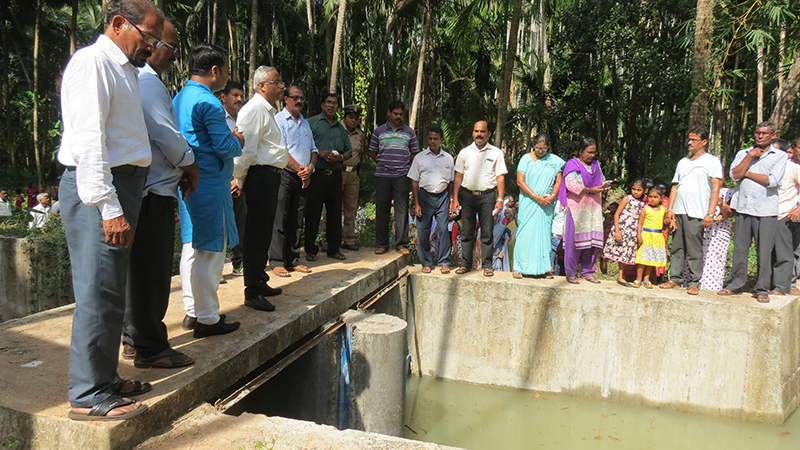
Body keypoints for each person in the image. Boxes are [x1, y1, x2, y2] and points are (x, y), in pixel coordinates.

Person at [58, 0, 164, 421]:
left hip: (124, 185)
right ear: (119, 24)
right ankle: (88, 394)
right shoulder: (93, 64)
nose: (152, 47)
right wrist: (108, 206)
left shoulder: (123, 68)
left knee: (111, 287)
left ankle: (104, 377)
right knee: (98, 290)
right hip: (101, 189)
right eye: (148, 37)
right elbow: (90, 142)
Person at [121, 20, 199, 369]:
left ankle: (132, 337)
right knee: (151, 274)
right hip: (154, 190)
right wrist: (190, 165)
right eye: (171, 47)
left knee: (138, 270)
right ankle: (151, 347)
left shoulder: (137, 80)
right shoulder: (149, 83)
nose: (173, 56)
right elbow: (166, 135)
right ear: (153, 45)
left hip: (146, 186)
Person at [174, 43, 244, 336]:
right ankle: (207, 318)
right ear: (215, 70)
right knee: (211, 251)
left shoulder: (179, 98)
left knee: (192, 246)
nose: (227, 76)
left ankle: (193, 310)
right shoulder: (209, 103)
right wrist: (238, 139)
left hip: (188, 181)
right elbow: (224, 146)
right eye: (226, 70)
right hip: (210, 182)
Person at [234, 65, 288, 310]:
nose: (282, 86)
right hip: (259, 176)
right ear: (262, 86)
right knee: (256, 233)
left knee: (264, 232)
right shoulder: (254, 110)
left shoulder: (266, 110)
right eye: (277, 82)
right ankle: (252, 291)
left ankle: (260, 279)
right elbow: (245, 150)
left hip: (270, 176)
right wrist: (239, 179)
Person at [719, 121, 787, 303]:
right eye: (757, 133)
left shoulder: (779, 156)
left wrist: (747, 173)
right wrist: (750, 156)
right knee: (740, 250)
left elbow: (772, 181)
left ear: (773, 135)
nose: (760, 136)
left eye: (764, 133)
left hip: (765, 211)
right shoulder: (744, 153)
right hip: (743, 208)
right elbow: (734, 175)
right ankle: (735, 284)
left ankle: (761, 288)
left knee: (764, 252)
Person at [658, 126, 723, 295]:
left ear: (704, 142)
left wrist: (710, 213)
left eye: (694, 140)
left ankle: (695, 282)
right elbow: (675, 186)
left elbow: (715, 188)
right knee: (677, 246)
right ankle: (675, 279)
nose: (690, 142)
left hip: (697, 211)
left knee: (694, 248)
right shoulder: (683, 162)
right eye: (689, 139)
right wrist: (670, 209)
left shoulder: (711, 161)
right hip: (679, 210)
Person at [270, 85, 317, 276]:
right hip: (285, 175)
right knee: (280, 218)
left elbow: (313, 150)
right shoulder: (278, 120)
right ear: (286, 99)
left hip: (303, 178)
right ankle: (277, 261)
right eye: (295, 98)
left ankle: (293, 260)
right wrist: (300, 170)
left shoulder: (305, 123)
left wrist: (310, 169)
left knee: (297, 220)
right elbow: (280, 150)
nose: (299, 101)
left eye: (301, 98)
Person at [450, 120, 508, 276]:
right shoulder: (465, 152)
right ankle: (466, 264)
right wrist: (455, 198)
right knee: (467, 232)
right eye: (476, 131)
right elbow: (458, 176)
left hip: (487, 197)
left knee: (487, 232)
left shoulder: (495, 153)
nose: (479, 134)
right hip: (467, 196)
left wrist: (500, 199)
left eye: (482, 131)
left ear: (488, 134)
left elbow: (500, 177)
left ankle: (487, 265)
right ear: (473, 133)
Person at [512, 133, 565, 279]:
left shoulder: (555, 161)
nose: (540, 151)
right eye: (538, 148)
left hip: (547, 203)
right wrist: (536, 197)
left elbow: (558, 181)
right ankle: (520, 267)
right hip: (529, 201)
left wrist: (552, 196)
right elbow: (520, 181)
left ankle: (544, 268)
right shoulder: (526, 159)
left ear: (548, 147)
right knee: (525, 234)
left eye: (544, 149)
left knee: (544, 235)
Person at [369, 100, 419, 255]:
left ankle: (401, 244)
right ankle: (381, 244)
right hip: (383, 176)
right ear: (389, 113)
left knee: (401, 211)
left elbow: (415, 153)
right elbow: (372, 152)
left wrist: (403, 164)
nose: (398, 117)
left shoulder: (409, 132)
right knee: (382, 210)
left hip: (401, 176)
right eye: (395, 113)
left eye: (400, 114)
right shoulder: (378, 132)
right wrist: (384, 163)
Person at [305, 93, 351, 261]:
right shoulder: (311, 123)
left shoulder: (341, 128)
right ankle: (310, 249)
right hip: (317, 174)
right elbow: (304, 145)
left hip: (335, 175)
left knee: (334, 213)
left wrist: (340, 157)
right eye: (328, 102)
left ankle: (334, 248)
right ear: (322, 105)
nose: (331, 106)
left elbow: (349, 151)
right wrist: (319, 152)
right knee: (313, 212)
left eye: (334, 103)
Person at [557, 138, 610, 284]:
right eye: (589, 152)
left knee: (591, 242)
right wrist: (589, 189)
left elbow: (602, 180)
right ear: (581, 151)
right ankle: (571, 272)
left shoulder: (596, 166)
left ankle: (588, 272)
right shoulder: (572, 165)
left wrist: (606, 185)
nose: (592, 155)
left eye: (594, 153)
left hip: (593, 208)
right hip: (577, 208)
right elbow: (571, 185)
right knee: (574, 242)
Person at [408, 125, 454, 274]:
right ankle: (426, 262)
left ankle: (444, 261)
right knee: (423, 230)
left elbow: (451, 182)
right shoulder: (420, 158)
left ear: (441, 140)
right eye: (430, 138)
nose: (432, 141)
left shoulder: (448, 158)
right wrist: (416, 204)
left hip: (443, 197)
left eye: (435, 138)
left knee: (444, 229)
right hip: (424, 196)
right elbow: (414, 182)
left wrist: (452, 200)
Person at [681, 187, 734, 291]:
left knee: (714, 263)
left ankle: (711, 289)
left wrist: (721, 204)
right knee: (693, 257)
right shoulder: (702, 188)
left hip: (718, 234)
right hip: (699, 230)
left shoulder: (728, 193)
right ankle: (691, 284)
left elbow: (729, 214)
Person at [220, 80, 247, 276]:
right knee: (220, 223)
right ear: (223, 97)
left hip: (241, 178)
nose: (239, 99)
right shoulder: (217, 119)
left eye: (241, 96)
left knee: (241, 221)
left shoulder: (244, 119)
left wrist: (240, 179)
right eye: (234, 95)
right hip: (222, 178)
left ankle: (239, 262)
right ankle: (217, 268)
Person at [603, 179, 649, 286]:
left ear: (644, 191)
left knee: (628, 253)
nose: (635, 192)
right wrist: (617, 230)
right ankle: (620, 276)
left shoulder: (643, 203)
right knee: (621, 251)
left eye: (639, 190)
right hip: (623, 228)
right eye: (634, 189)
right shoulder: (627, 199)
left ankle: (628, 276)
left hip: (633, 231)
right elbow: (617, 214)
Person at [771, 138, 800, 295]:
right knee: (771, 251)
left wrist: (798, 208)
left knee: (787, 252)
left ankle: (784, 285)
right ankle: (770, 284)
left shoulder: (793, 168)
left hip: (786, 213)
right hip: (770, 213)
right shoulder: (770, 166)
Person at [632, 185, 668, 288]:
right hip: (646, 236)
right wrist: (639, 236)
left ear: (661, 198)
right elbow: (640, 223)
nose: (653, 199)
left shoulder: (663, 209)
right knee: (642, 259)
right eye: (650, 197)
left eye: (656, 197)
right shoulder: (646, 209)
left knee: (651, 259)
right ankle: (638, 279)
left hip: (657, 237)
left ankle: (646, 279)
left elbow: (664, 222)